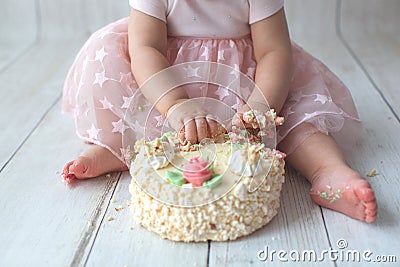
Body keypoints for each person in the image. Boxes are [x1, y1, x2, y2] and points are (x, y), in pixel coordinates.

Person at [61, 0, 377, 222]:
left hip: (248, 83)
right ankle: (116, 149)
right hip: (168, 81)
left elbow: (274, 51)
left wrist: (260, 108)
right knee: (121, 82)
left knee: (296, 116)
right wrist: (175, 103)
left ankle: (327, 170)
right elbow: (146, 49)